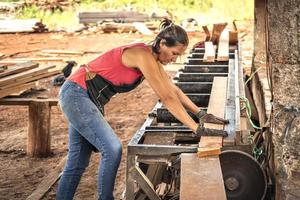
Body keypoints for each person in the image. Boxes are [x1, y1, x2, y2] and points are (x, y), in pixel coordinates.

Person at [56, 19, 228, 200]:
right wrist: (195, 128)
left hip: (84, 98)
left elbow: (173, 89)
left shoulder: (152, 58)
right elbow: (167, 98)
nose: (174, 58)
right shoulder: (142, 55)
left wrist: (201, 114)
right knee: (112, 149)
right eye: (173, 53)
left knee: (77, 162)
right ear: (162, 44)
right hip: (76, 94)